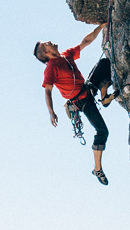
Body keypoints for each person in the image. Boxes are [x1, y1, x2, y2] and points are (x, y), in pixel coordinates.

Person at [34, 23, 112, 185]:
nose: (51, 41)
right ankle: (97, 169)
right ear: (47, 52)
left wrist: (101, 26)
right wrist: (51, 112)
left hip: (87, 88)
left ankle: (104, 98)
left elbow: (85, 42)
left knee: (105, 64)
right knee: (102, 131)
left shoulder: (66, 55)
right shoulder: (50, 68)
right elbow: (47, 90)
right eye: (47, 43)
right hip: (82, 101)